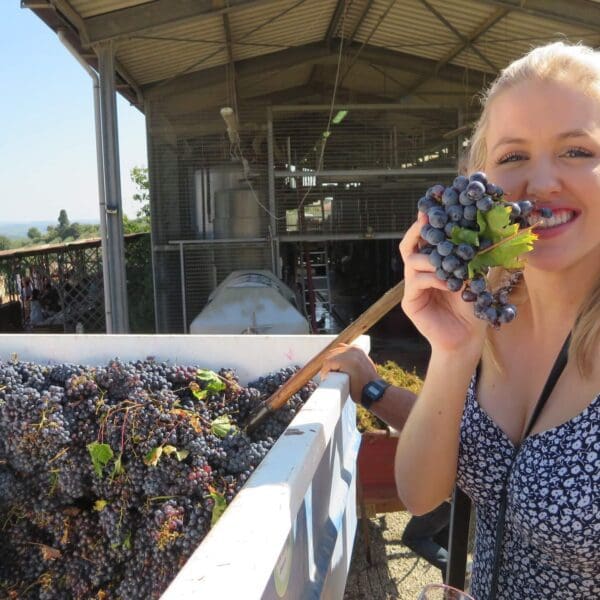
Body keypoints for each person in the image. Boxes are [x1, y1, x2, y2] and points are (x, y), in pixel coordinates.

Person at [321, 41, 600, 599]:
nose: (540, 182)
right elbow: (422, 492)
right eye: (513, 156)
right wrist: (450, 354)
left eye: (575, 150)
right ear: (478, 181)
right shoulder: (488, 306)